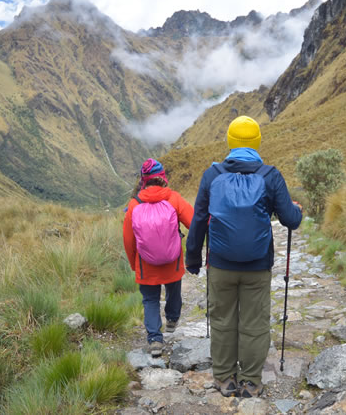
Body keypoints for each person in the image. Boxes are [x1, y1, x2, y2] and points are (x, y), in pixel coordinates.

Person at [185, 116, 302, 398]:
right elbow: (290, 219)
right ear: (257, 142)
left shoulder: (212, 175)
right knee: (255, 322)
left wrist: (193, 259)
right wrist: (296, 209)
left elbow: (199, 219)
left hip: (221, 265)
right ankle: (250, 381)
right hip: (257, 266)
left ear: (230, 142)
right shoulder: (270, 175)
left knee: (223, 320)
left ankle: (225, 379)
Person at [123, 158, 194, 357]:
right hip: (172, 261)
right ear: (162, 177)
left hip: (146, 265)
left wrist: (134, 264)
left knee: (150, 299)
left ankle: (155, 340)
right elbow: (193, 223)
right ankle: (172, 319)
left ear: (143, 180)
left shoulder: (134, 204)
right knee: (174, 289)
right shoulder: (174, 199)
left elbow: (128, 240)